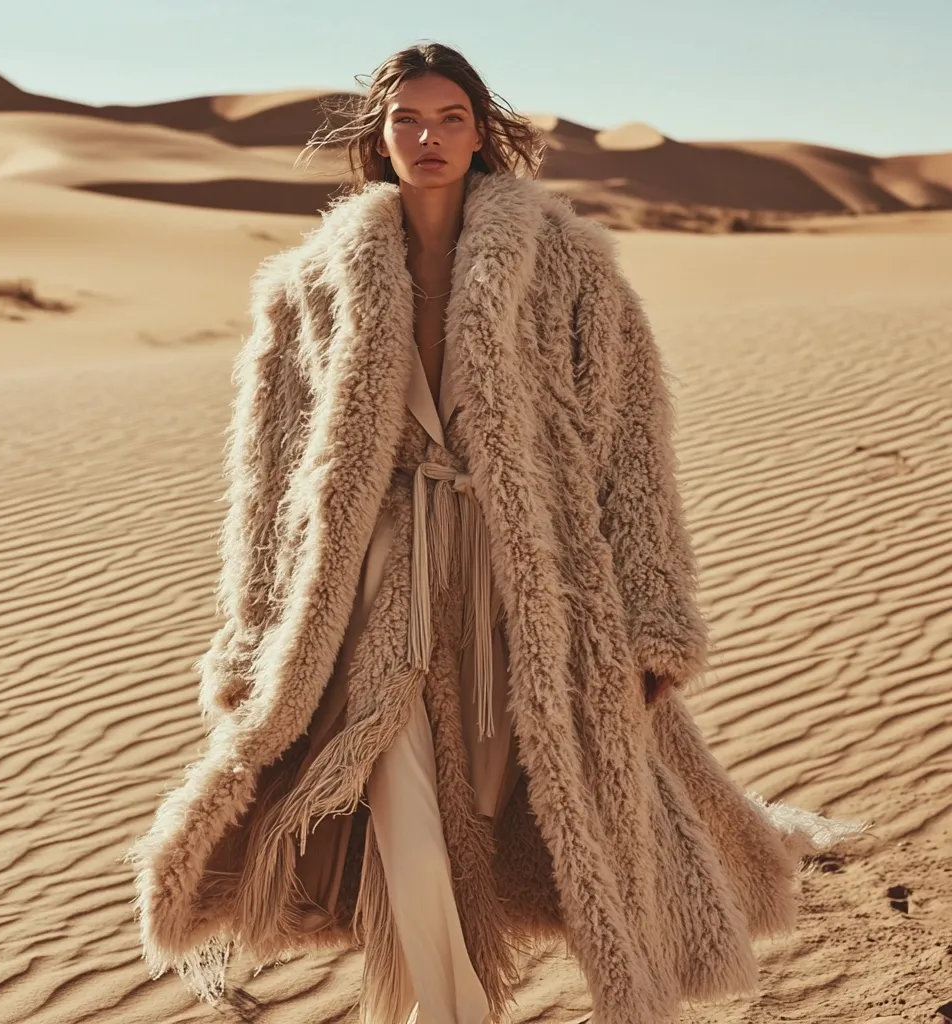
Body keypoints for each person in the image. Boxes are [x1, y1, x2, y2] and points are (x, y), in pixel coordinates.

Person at [124, 41, 868, 1024]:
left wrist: (654, 617)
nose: (427, 138)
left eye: (450, 119)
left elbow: (633, 446)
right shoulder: (305, 288)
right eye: (407, 121)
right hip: (368, 589)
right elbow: (264, 482)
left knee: (524, 804)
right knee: (403, 812)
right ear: (378, 138)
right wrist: (251, 637)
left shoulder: (569, 269)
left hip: (533, 584)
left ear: (482, 134)